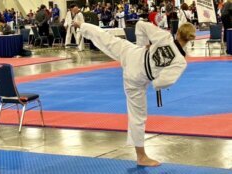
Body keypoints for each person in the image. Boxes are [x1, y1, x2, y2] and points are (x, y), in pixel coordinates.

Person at [72, 20, 196, 166]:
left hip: (133, 53)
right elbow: (163, 82)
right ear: (190, 40)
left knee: (107, 38)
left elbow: (141, 25)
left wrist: (142, 44)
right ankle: (141, 156)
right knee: (138, 116)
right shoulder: (180, 61)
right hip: (136, 77)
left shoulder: (165, 37)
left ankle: (82, 25)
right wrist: (154, 79)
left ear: (178, 32)